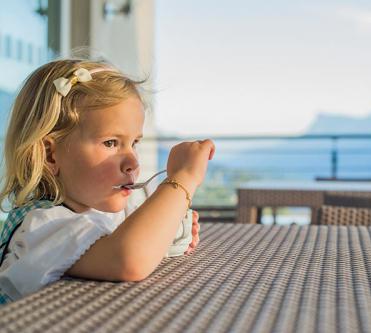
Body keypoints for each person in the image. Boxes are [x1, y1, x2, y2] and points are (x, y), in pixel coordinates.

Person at [0, 59, 215, 304]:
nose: (132, 162)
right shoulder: (41, 228)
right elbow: (129, 258)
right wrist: (183, 179)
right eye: (111, 143)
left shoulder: (96, 210)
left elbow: (135, 242)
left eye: (134, 143)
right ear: (50, 155)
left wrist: (171, 232)